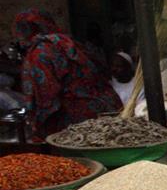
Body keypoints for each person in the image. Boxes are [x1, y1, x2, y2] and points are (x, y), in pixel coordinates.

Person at [12, 9, 121, 138]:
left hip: (80, 119)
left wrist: (38, 127)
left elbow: (46, 97)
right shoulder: (65, 42)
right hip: (109, 107)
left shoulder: (40, 53)